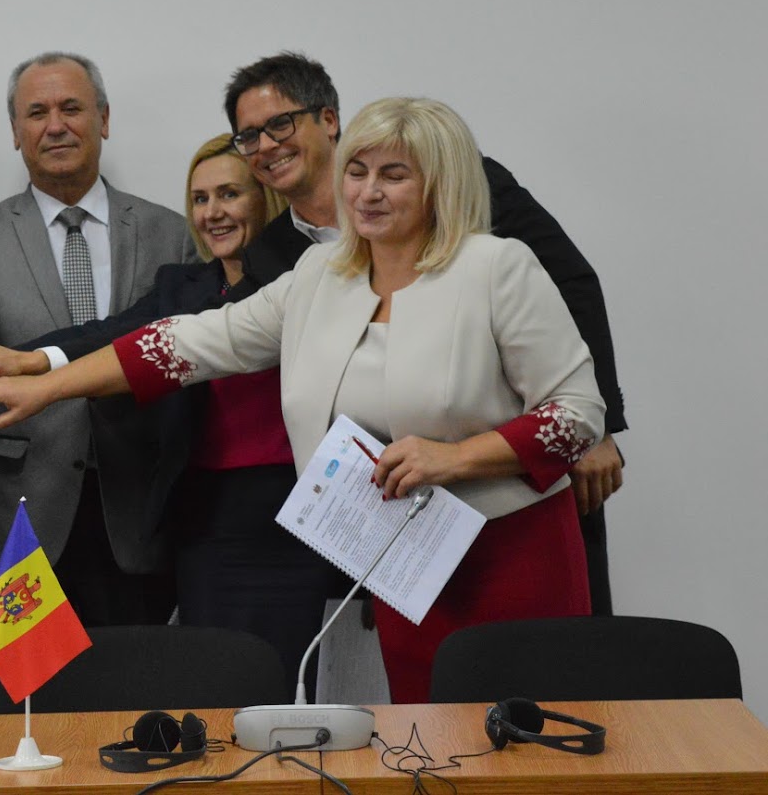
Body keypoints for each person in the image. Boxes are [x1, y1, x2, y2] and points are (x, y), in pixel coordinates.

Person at [0, 97, 604, 703]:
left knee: (530, 745)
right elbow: (188, 342)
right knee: (426, 740)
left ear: (441, 183)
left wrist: (456, 457)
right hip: (404, 561)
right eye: (356, 172)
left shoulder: (496, 267)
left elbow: (577, 415)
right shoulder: (322, 274)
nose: (367, 192)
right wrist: (44, 378)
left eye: (394, 175)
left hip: (509, 553)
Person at [226, 53, 626, 614]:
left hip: (513, 511)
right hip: (400, 538)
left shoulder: (482, 221)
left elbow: (572, 288)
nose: (266, 145)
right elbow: (214, 335)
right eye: (249, 136)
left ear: (327, 120)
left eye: (280, 124)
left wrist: (596, 430)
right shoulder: (282, 254)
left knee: (555, 657)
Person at [0, 137, 327, 701]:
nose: (212, 212)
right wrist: (25, 361)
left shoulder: (308, 275)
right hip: (207, 520)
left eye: (229, 194)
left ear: (266, 199)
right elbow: (115, 335)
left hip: (293, 512)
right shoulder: (184, 286)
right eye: (199, 199)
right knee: (216, 689)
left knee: (285, 684)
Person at [0, 51, 197, 627]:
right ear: (15, 132)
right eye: (37, 113)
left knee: (140, 678)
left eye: (72, 108)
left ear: (104, 119)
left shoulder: (172, 232)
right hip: (24, 508)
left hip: (141, 506)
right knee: (27, 684)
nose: (56, 126)